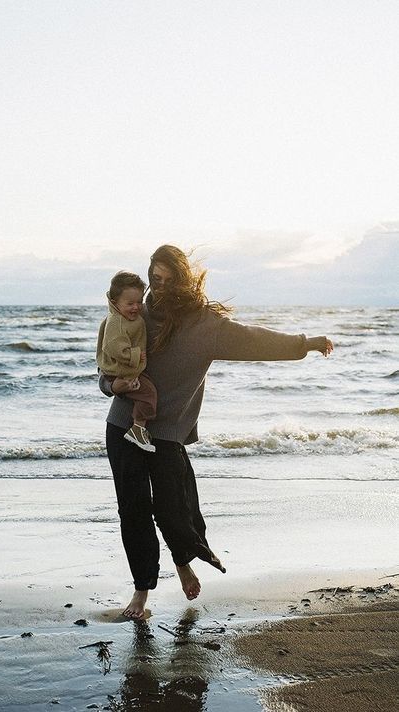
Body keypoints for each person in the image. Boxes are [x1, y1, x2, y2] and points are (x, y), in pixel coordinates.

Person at [99, 245, 333, 619]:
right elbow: (107, 365)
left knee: (174, 510)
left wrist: (302, 344)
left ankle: (183, 562)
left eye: (167, 280)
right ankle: (141, 593)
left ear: (183, 281)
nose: (158, 289)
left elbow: (254, 339)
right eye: (154, 280)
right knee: (134, 512)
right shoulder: (136, 314)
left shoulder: (206, 326)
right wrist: (112, 387)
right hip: (124, 425)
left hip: (167, 434)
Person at [96, 271, 158, 452]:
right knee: (148, 394)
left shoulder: (129, 318)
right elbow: (113, 347)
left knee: (146, 393)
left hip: (124, 370)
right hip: (121, 370)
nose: (136, 307)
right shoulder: (117, 321)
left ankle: (138, 427)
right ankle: (138, 428)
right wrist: (135, 354)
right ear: (115, 303)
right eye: (130, 303)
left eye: (139, 302)